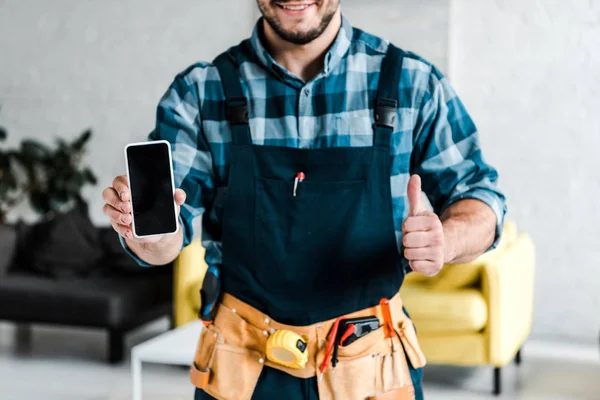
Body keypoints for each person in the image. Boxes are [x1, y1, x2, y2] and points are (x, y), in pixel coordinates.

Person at [102, 1, 506, 399]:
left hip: (372, 372)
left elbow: (480, 196)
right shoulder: (199, 92)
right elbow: (166, 239)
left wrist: (446, 240)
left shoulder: (413, 84)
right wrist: (148, 234)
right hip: (241, 370)